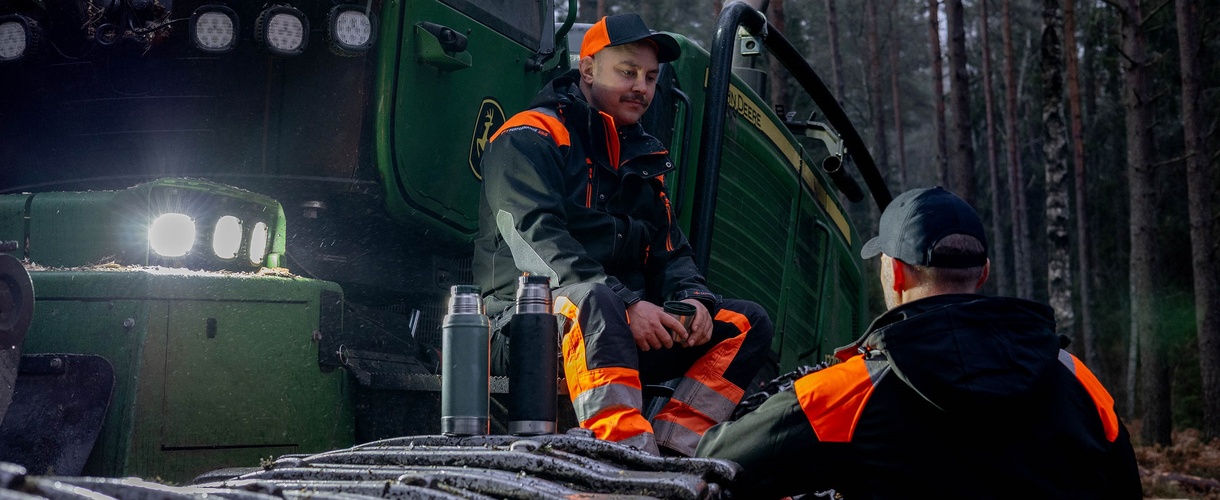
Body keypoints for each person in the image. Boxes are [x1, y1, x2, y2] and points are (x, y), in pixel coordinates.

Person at [695, 187, 1141, 499]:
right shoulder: (1077, 377)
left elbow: (717, 461)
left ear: (897, 273)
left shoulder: (852, 389)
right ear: (982, 273)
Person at [473, 13, 773, 457]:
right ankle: (620, 454)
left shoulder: (645, 157)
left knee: (745, 323)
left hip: (615, 321)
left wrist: (693, 300)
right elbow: (535, 238)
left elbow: (671, 251)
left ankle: (675, 451)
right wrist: (628, 303)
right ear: (588, 69)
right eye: (627, 72)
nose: (642, 88)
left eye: (651, 78)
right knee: (593, 298)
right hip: (519, 325)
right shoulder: (528, 136)